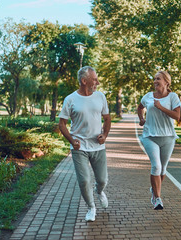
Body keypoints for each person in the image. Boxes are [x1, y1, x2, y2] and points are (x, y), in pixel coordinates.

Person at [58, 66, 111, 222]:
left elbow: (107, 119)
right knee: (84, 180)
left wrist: (105, 135)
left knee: (102, 180)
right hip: (79, 147)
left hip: (98, 146)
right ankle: (91, 207)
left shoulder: (100, 97)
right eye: (95, 79)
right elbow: (62, 124)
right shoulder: (70, 99)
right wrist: (71, 140)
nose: (98, 82)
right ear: (84, 81)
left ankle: (99, 191)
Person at [137, 70, 181, 210]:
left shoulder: (173, 97)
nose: (155, 81)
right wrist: (141, 119)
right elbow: (140, 107)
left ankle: (154, 189)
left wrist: (161, 107)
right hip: (150, 136)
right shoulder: (148, 96)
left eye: (158, 79)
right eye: (155, 78)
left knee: (163, 169)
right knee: (156, 166)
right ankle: (157, 198)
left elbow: (177, 116)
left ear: (166, 82)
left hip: (168, 137)